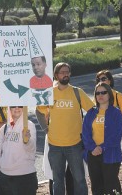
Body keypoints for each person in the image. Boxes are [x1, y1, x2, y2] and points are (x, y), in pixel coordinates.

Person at [36, 62, 94, 195]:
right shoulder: (49, 93)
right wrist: (46, 130)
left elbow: (92, 111)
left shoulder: (77, 92)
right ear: (56, 75)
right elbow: (39, 111)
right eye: (62, 72)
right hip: (55, 145)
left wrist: (86, 132)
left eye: (67, 72)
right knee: (57, 180)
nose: (65, 74)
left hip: (75, 144)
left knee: (79, 179)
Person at [82, 83, 122, 195]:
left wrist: (102, 147)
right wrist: (93, 148)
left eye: (103, 92)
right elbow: (85, 133)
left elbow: (116, 136)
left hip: (110, 154)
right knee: (96, 188)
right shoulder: (91, 113)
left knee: (112, 188)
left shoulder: (116, 113)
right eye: (97, 93)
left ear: (109, 94)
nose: (100, 95)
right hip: (93, 154)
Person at [0, 106, 37, 195]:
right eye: (13, 106)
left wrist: (27, 141)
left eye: (20, 106)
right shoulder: (4, 128)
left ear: (24, 108)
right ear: (9, 108)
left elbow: (31, 150)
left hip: (24, 178)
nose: (17, 108)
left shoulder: (29, 125)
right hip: (4, 178)